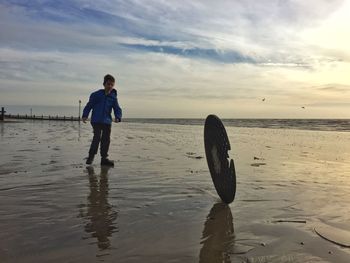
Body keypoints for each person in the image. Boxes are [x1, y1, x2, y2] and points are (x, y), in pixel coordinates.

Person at [82, 74, 122, 166]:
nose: (110, 86)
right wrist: (85, 115)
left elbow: (117, 108)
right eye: (108, 84)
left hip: (107, 122)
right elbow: (89, 105)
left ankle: (104, 158)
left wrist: (118, 117)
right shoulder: (96, 95)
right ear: (104, 84)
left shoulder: (113, 97)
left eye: (112, 85)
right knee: (97, 138)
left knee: (106, 140)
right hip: (96, 120)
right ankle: (91, 157)